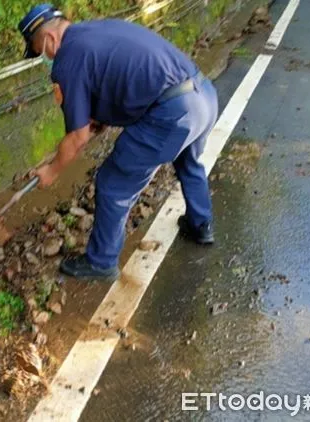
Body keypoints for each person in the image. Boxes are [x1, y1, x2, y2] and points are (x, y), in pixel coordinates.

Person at [18, 4, 218, 282]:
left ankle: (101, 262)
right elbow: (124, 81)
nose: (45, 58)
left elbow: (78, 136)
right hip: (202, 95)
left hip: (172, 114)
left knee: (113, 183)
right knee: (188, 161)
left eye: (41, 51)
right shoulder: (96, 30)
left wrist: (51, 171)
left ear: (50, 40)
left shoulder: (68, 58)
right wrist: (98, 120)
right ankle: (201, 225)